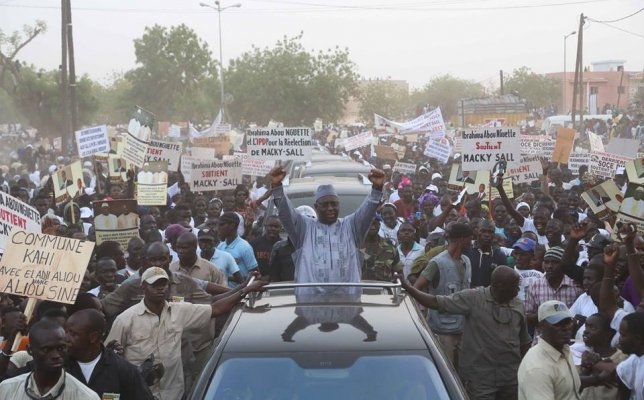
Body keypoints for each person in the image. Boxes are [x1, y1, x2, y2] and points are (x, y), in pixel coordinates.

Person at [105, 266, 264, 400]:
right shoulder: (125, 320)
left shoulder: (179, 311)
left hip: (174, 395)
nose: (160, 288)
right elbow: (108, 360)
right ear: (143, 287)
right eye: (154, 284)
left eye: (164, 283)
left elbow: (215, 308)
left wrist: (245, 289)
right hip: (139, 395)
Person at [399, 266, 531, 400]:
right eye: (514, 287)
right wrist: (409, 289)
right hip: (480, 380)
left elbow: (524, 341)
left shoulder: (518, 305)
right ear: (499, 285)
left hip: (510, 379)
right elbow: (436, 302)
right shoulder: (473, 298)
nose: (517, 291)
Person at [268, 165, 385, 287]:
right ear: (316, 207)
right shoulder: (304, 228)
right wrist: (277, 187)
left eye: (334, 204)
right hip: (310, 302)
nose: (330, 208)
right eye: (325, 204)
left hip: (347, 302)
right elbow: (286, 211)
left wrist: (377, 188)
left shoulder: (351, 226)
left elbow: (368, 210)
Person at [413, 222, 473, 366]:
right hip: (442, 332)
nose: (471, 243)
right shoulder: (437, 263)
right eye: (470, 239)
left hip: (463, 330)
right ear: (461, 239)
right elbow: (416, 288)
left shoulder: (467, 261)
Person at [64, 309, 154, 399]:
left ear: (93, 337)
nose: (65, 338)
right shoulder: (60, 367)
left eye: (73, 334)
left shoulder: (123, 370)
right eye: (65, 332)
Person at [0, 320, 100, 399]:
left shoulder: (86, 396)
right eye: (46, 349)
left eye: (60, 348)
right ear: (30, 350)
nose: (56, 355)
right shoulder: (7, 388)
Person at [517, 300, 581, 400]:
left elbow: (564, 385)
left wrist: (596, 379)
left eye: (568, 322)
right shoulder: (537, 369)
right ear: (541, 326)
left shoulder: (563, 348)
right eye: (558, 323)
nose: (566, 328)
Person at [525, 247, 583, 338]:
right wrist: (547, 314)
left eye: (555, 262)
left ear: (563, 265)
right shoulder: (535, 286)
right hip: (542, 342)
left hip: (569, 342)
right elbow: (527, 317)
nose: (549, 266)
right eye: (546, 262)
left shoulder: (575, 285)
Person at [216, 212, 258, 284]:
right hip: (223, 292)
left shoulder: (245, 247)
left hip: (241, 293)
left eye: (222, 225)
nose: (218, 228)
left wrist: (229, 278)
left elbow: (255, 275)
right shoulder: (220, 246)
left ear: (232, 225)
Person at [467, 220, 508, 288]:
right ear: (476, 232)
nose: (487, 235)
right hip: (467, 295)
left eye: (490, 232)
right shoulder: (466, 251)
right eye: (483, 231)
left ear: (494, 234)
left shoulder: (499, 256)